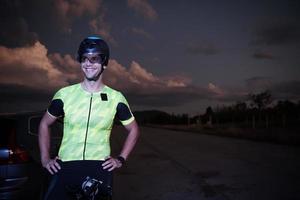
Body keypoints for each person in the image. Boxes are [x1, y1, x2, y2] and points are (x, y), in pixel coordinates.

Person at [39, 36, 139, 200]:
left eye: (94, 59)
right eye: (84, 58)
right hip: (66, 165)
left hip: (99, 167)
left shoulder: (116, 98)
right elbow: (44, 123)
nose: (88, 63)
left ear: (104, 63)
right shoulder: (64, 94)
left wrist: (121, 159)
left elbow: (133, 129)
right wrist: (44, 158)